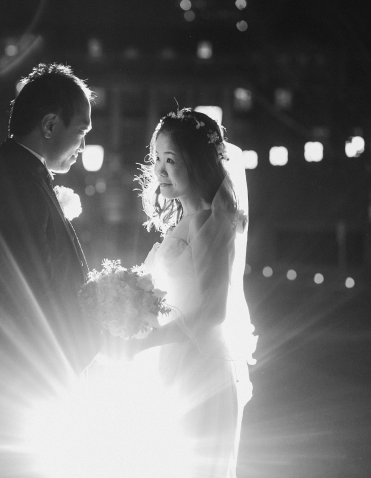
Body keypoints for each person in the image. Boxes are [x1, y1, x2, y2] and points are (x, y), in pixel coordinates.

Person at [0, 63, 104, 478]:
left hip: (19, 378)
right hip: (20, 385)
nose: (83, 145)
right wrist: (89, 338)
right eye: (81, 132)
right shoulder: (18, 180)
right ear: (50, 125)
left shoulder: (24, 172)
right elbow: (31, 292)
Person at [134, 108, 258, 478]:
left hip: (200, 373)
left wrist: (141, 342)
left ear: (198, 162)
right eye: (156, 157)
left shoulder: (209, 221)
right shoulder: (185, 221)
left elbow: (212, 316)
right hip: (177, 364)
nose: (158, 169)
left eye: (170, 159)